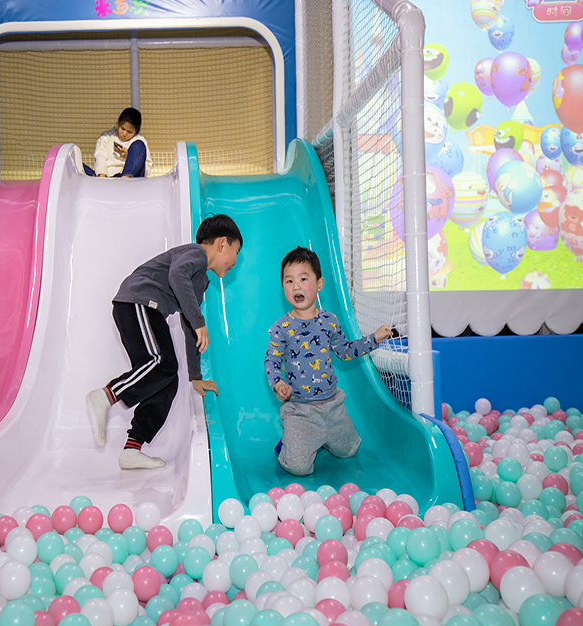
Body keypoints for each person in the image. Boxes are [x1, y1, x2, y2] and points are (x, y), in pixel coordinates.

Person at [86, 214, 243, 469]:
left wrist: (195, 376)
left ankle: (132, 448)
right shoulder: (195, 254)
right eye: (236, 251)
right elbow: (177, 275)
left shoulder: (201, 281)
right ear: (222, 243)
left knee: (167, 381)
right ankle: (107, 395)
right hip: (138, 302)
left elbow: (189, 327)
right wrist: (199, 320)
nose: (236, 260)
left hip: (148, 310)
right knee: (162, 363)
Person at [264, 246, 393, 476]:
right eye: (289, 281)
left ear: (319, 284)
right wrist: (278, 383)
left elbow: (345, 351)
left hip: (332, 406)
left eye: (303, 279)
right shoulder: (281, 328)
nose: (296, 286)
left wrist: (374, 338)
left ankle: (320, 440)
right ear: (283, 286)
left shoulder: (329, 321)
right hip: (300, 410)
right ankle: (290, 443)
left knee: (350, 450)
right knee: (299, 468)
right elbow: (271, 361)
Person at [83, 107, 153, 178]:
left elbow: (146, 167)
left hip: (130, 178)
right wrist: (102, 177)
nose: (124, 134)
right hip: (108, 178)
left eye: (129, 132)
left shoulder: (139, 140)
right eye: (122, 129)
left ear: (136, 131)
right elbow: (100, 157)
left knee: (139, 145)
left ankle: (125, 178)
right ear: (118, 123)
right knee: (79, 165)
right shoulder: (107, 136)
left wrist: (128, 156)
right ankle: (106, 182)